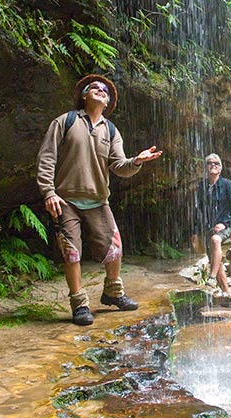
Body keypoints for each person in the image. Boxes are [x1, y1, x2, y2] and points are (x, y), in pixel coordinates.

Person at [37, 74, 162, 326]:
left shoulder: (111, 130)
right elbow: (47, 158)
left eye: (105, 90)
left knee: (114, 247)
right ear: (84, 96)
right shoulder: (65, 122)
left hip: (98, 199)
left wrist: (136, 161)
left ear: (108, 103)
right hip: (67, 200)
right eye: (93, 87)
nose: (100, 89)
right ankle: (79, 304)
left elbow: (119, 165)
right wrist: (48, 192)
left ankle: (113, 292)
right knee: (71, 252)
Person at [191, 153, 231, 300]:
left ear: (220, 168)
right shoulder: (202, 186)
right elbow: (198, 210)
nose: (213, 165)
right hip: (208, 227)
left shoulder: (227, 184)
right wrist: (195, 231)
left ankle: (211, 277)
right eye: (210, 163)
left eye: (216, 163)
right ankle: (226, 293)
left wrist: (224, 223)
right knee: (214, 260)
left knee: (215, 241)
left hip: (226, 226)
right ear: (206, 167)